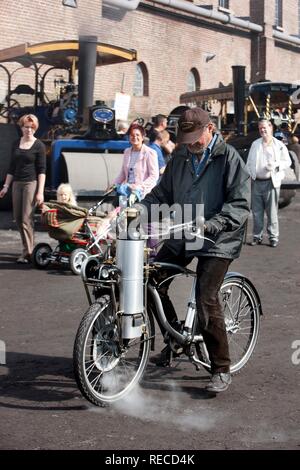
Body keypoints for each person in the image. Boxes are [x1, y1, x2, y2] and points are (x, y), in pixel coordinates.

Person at [139, 107, 251, 393]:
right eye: (186, 138)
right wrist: (138, 209)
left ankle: (221, 367)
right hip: (185, 230)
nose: (191, 143)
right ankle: (175, 337)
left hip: (219, 237)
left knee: (206, 297)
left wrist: (213, 225)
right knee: (151, 281)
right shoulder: (180, 156)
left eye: (195, 137)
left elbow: (239, 205)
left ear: (210, 129)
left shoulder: (229, 158)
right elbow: (161, 193)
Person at [0, 114, 46, 264]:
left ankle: (28, 252)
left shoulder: (39, 145)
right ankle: (28, 248)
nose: (29, 130)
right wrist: (6, 186)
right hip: (16, 184)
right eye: (26, 126)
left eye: (32, 127)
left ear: (35, 128)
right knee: (18, 219)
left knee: (27, 219)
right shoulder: (16, 143)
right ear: (21, 127)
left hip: (30, 184)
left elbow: (42, 170)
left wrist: (40, 192)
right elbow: (12, 167)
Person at [246, 118, 291, 248]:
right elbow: (249, 162)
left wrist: (276, 165)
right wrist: (250, 174)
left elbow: (287, 162)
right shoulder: (255, 144)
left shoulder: (279, 145)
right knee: (256, 212)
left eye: (265, 128)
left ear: (271, 128)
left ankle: (273, 237)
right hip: (257, 182)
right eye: (260, 128)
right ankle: (257, 237)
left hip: (271, 182)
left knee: (272, 212)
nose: (263, 130)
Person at [112, 123, 159, 206]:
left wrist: (139, 187)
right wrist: (114, 184)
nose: (134, 137)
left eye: (137, 135)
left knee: (134, 216)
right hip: (127, 190)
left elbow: (154, 176)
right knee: (120, 214)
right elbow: (123, 173)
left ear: (142, 137)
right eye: (132, 135)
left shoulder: (150, 153)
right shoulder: (127, 151)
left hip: (142, 193)